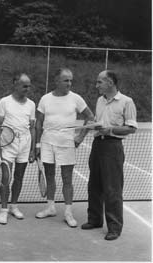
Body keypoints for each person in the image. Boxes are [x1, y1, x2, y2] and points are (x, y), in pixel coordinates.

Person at [81, 70, 137, 241]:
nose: (96, 85)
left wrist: (110, 129)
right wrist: (92, 126)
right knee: (94, 185)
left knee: (112, 188)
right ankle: (95, 220)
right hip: (97, 145)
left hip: (112, 147)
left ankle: (114, 227)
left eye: (100, 82)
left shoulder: (127, 102)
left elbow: (131, 128)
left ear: (110, 82)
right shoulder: (100, 100)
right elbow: (99, 121)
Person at [35, 68, 94, 228]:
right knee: (49, 175)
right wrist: (38, 144)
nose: (69, 83)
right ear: (56, 81)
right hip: (47, 142)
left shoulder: (76, 98)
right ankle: (51, 207)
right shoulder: (45, 99)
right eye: (65, 80)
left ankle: (68, 212)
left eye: (70, 80)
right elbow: (39, 123)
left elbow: (90, 117)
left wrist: (80, 137)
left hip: (67, 143)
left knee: (67, 179)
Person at [0, 73, 36, 225]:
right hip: (7, 145)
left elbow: (32, 128)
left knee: (19, 177)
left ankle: (14, 206)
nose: (28, 88)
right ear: (15, 84)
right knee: (6, 178)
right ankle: (3, 210)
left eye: (29, 86)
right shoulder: (4, 102)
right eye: (25, 85)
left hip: (25, 144)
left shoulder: (31, 104)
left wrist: (33, 149)